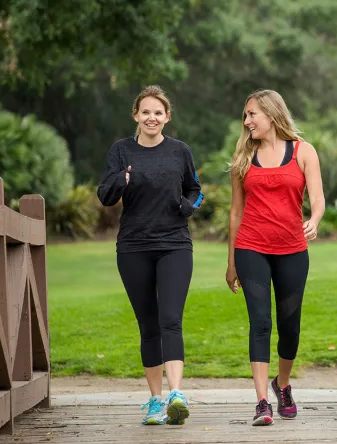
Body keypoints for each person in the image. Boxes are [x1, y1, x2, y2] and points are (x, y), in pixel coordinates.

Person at [97, 85, 203, 425]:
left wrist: (188, 206)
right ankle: (155, 401)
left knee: (171, 319)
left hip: (174, 244)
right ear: (136, 116)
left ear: (167, 117)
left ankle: (176, 394)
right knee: (148, 325)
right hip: (133, 247)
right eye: (146, 112)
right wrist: (121, 180)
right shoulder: (121, 151)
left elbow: (195, 189)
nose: (152, 117)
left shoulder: (180, 151)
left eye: (158, 112)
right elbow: (105, 195)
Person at [225, 89, 325, 426]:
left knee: (289, 327)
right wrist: (231, 262)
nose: (247, 121)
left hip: (293, 250)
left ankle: (282, 385)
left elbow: (318, 197)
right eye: (246, 115)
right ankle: (262, 402)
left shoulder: (303, 151)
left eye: (252, 114)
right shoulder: (243, 156)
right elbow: (236, 212)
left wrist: (314, 219)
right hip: (251, 247)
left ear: (271, 114)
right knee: (260, 322)